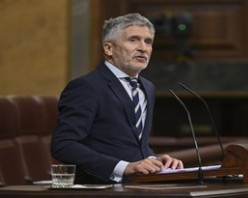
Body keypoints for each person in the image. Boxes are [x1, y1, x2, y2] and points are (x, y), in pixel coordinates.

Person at [51, 13, 184, 184]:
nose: (143, 48)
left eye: (148, 41)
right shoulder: (87, 87)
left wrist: (154, 159)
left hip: (140, 186)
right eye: (133, 40)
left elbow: (131, 143)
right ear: (108, 48)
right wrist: (123, 167)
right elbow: (63, 145)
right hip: (100, 187)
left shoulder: (148, 87)